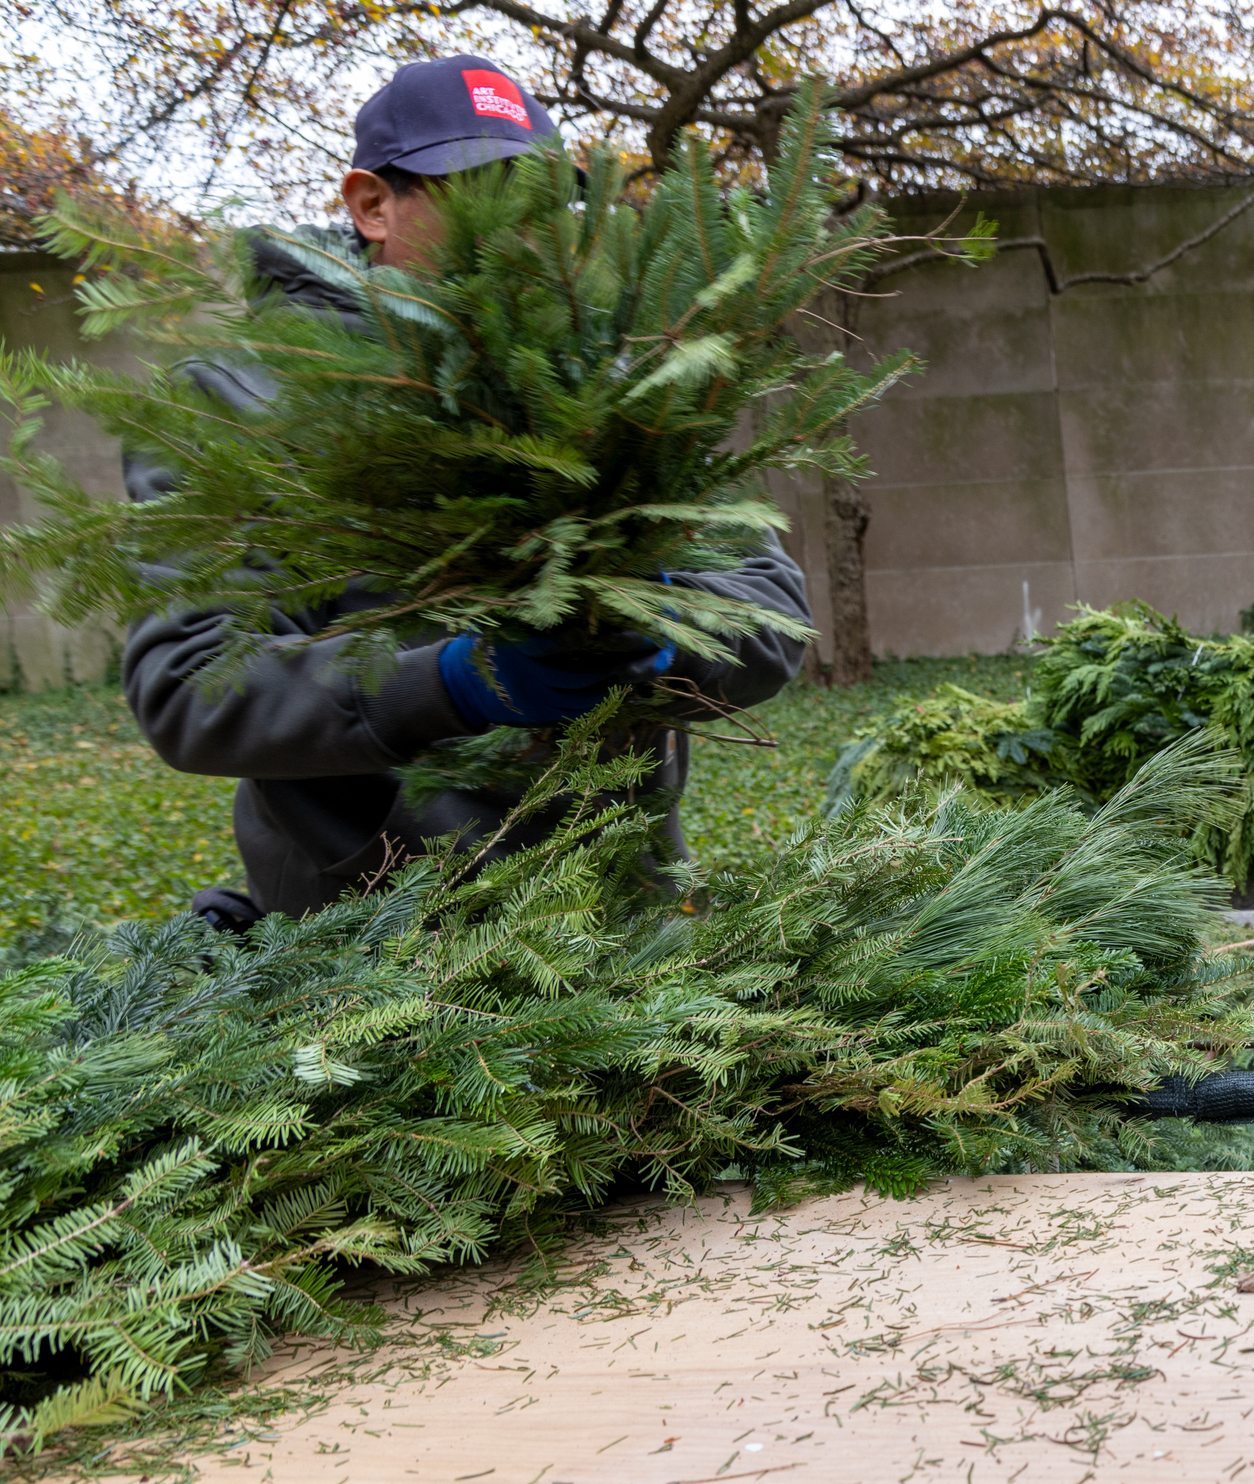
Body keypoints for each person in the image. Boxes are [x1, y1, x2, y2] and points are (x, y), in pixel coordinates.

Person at [123, 56, 809, 927]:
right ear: (373, 204)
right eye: (477, 192)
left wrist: (669, 633)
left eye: (540, 202)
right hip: (368, 943)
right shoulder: (235, 401)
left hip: (617, 922)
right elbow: (189, 687)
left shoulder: (621, 388)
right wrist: (450, 682)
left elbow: (771, 610)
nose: (518, 230)